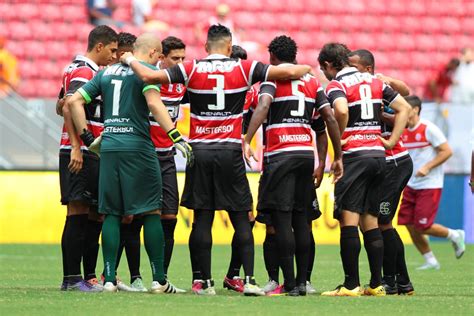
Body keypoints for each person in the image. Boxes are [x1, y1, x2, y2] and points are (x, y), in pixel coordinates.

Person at [121, 24, 313, 296]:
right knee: (241, 219)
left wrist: (128, 58)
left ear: (206, 46)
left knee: (202, 218)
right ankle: (248, 280)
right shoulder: (243, 68)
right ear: (229, 45)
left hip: (200, 151)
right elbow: (289, 71)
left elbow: (147, 76)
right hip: (230, 151)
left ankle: (203, 282)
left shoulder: (192, 68)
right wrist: (307, 69)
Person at [67, 33, 193, 293]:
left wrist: (89, 138)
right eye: (159, 56)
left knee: (111, 212)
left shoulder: (106, 72)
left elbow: (73, 101)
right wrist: (175, 135)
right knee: (151, 211)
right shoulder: (146, 71)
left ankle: (110, 279)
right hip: (138, 147)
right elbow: (154, 104)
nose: (159, 61)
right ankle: (159, 280)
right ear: (152, 53)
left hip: (110, 146)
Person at [244, 35, 343, 296]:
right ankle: (301, 282)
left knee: (281, 220)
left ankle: (287, 283)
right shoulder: (312, 82)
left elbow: (264, 105)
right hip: (304, 156)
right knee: (302, 221)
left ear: (273, 59)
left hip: (280, 156)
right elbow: (329, 118)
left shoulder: (272, 79)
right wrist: (337, 156)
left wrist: (247, 138)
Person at [318, 43, 410, 297]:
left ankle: (350, 285)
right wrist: (390, 142)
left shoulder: (336, 85)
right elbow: (405, 108)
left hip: (355, 156)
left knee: (349, 219)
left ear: (328, 65)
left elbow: (342, 110)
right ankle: (377, 284)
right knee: (370, 219)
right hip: (379, 157)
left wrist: (341, 138)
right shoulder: (374, 81)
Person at [348, 49, 415, 295]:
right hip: (380, 164)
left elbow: (405, 103)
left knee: (381, 221)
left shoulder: (377, 86)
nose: (349, 69)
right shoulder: (356, 88)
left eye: (354, 65)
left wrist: (382, 118)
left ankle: (391, 280)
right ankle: (401, 281)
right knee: (379, 222)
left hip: (394, 160)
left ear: (367, 68)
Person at [58, 25, 117, 292]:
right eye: (113, 50)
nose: (115, 56)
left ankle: (84, 277)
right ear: (100, 47)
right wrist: (78, 145)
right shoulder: (85, 71)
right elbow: (71, 105)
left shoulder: (74, 68)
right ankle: (71, 279)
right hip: (82, 150)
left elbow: (61, 105)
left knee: (92, 213)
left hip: (87, 149)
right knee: (79, 212)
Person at [399, 95, 465, 270]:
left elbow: (446, 151)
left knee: (422, 225)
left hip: (429, 184)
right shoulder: (403, 130)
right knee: (408, 223)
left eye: (405, 107)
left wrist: (428, 166)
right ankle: (430, 260)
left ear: (415, 110)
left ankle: (454, 234)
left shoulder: (429, 128)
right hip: (410, 184)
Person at [150, 35, 187, 293]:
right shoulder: (150, 80)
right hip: (144, 155)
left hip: (167, 156)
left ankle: (160, 279)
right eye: (176, 58)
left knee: (170, 217)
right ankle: (121, 276)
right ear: (161, 58)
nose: (180, 63)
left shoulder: (182, 84)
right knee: (130, 218)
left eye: (183, 58)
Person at [220, 44, 257, 294]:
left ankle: (232, 274)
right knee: (205, 216)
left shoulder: (252, 93)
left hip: (232, 156)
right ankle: (202, 278)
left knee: (247, 219)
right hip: (224, 154)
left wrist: (246, 141)